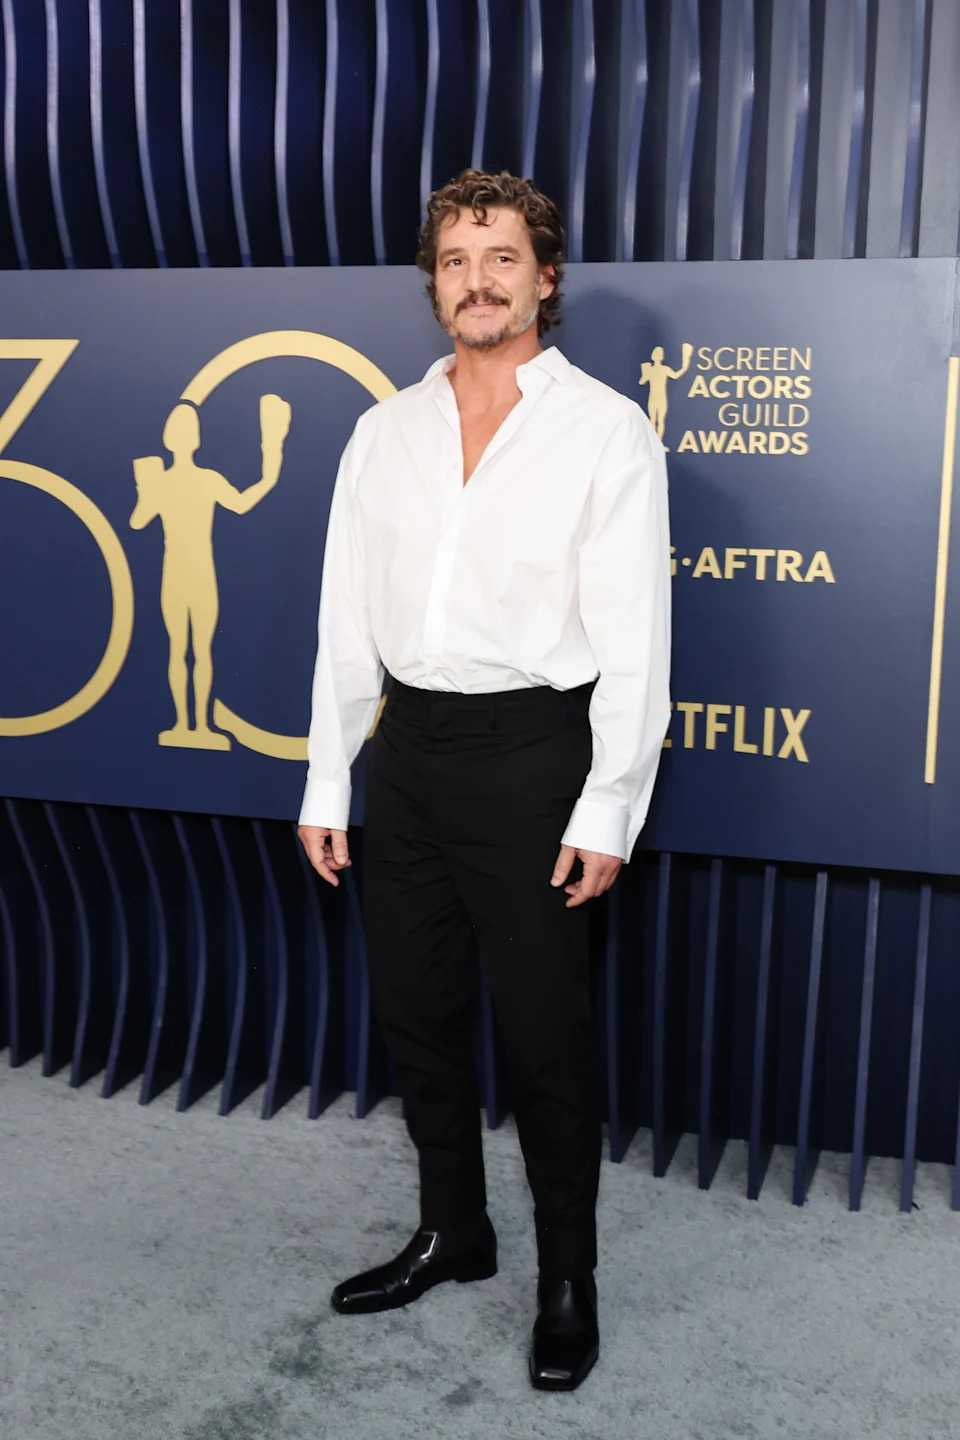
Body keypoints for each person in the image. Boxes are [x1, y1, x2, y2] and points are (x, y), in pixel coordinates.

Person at [298, 169, 670, 1392]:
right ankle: (455, 1231)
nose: (479, 281)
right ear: (434, 282)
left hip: (533, 761)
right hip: (407, 759)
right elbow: (343, 624)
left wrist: (609, 802)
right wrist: (328, 782)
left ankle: (570, 1279)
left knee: (548, 1041)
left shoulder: (604, 430)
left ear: (544, 278)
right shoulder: (381, 432)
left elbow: (635, 645)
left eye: (502, 258)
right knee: (418, 1018)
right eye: (457, 261)